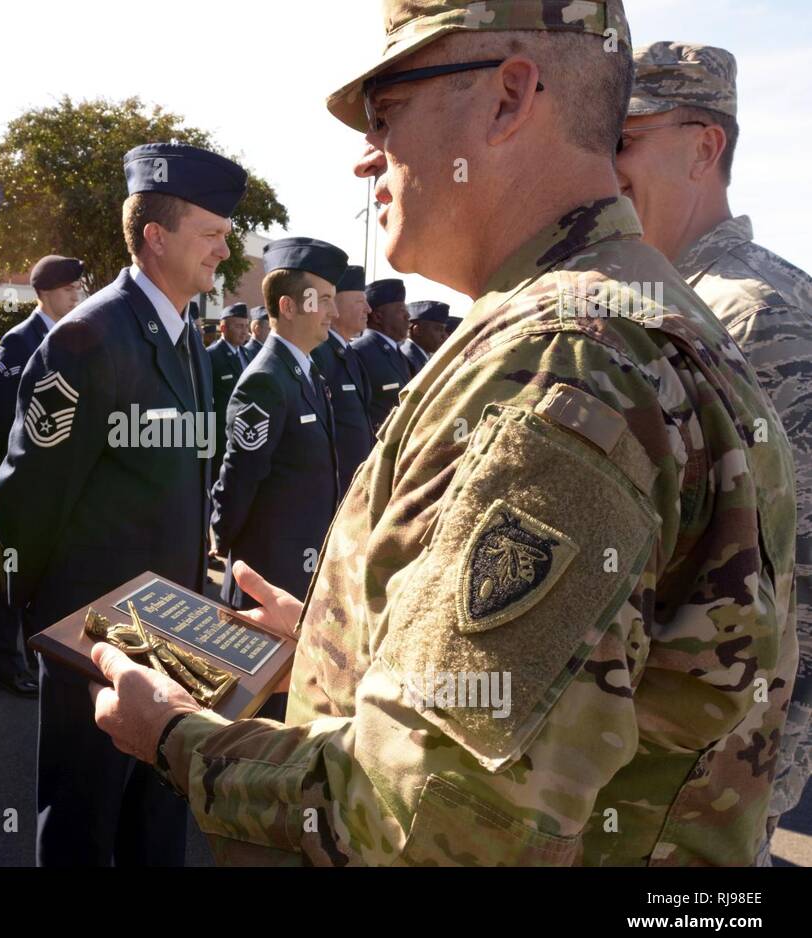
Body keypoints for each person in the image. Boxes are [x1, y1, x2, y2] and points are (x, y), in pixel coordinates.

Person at [89, 0, 798, 867]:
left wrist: (175, 738)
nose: (365, 156)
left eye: (387, 111)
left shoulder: (564, 368)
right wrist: (343, 644)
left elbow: (426, 821)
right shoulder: (624, 315)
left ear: (507, 99)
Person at [0, 141, 244, 866]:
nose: (224, 249)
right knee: (83, 824)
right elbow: (25, 492)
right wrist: (50, 629)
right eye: (212, 234)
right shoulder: (87, 337)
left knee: (156, 823)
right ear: (156, 237)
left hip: (173, 634)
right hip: (95, 638)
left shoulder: (186, 335)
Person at [616, 40, 812, 862]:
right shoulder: (686, 298)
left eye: (627, 140)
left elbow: (781, 572)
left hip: (720, 768)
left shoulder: (747, 313)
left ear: (705, 146)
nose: (607, 166)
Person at [211, 236, 343, 610]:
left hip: (303, 565)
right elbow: (241, 472)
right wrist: (221, 536)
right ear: (288, 306)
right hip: (269, 575)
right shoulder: (266, 379)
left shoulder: (306, 370)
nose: (332, 312)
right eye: (324, 299)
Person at [0, 254, 83, 699]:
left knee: (44, 578)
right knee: (9, 578)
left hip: (59, 489)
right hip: (20, 486)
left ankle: (38, 658)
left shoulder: (77, 338)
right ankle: (8, 667)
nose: (77, 296)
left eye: (79, 289)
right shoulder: (20, 342)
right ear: (43, 294)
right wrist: (10, 479)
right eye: (67, 290)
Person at [312, 263, 374, 490]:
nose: (368, 308)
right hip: (332, 485)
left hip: (353, 481)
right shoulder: (319, 354)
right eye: (360, 301)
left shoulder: (348, 352)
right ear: (335, 304)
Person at [352, 277, 412, 425]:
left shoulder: (397, 352)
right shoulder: (360, 352)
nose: (408, 316)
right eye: (401, 310)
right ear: (378, 316)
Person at [207, 302, 251, 470]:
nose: (244, 331)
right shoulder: (212, 355)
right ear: (223, 328)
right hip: (222, 434)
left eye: (246, 326)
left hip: (245, 430)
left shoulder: (247, 353)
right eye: (239, 326)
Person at [403, 299, 453, 368]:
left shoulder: (421, 357)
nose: (444, 336)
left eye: (444, 330)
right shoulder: (407, 359)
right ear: (417, 330)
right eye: (438, 329)